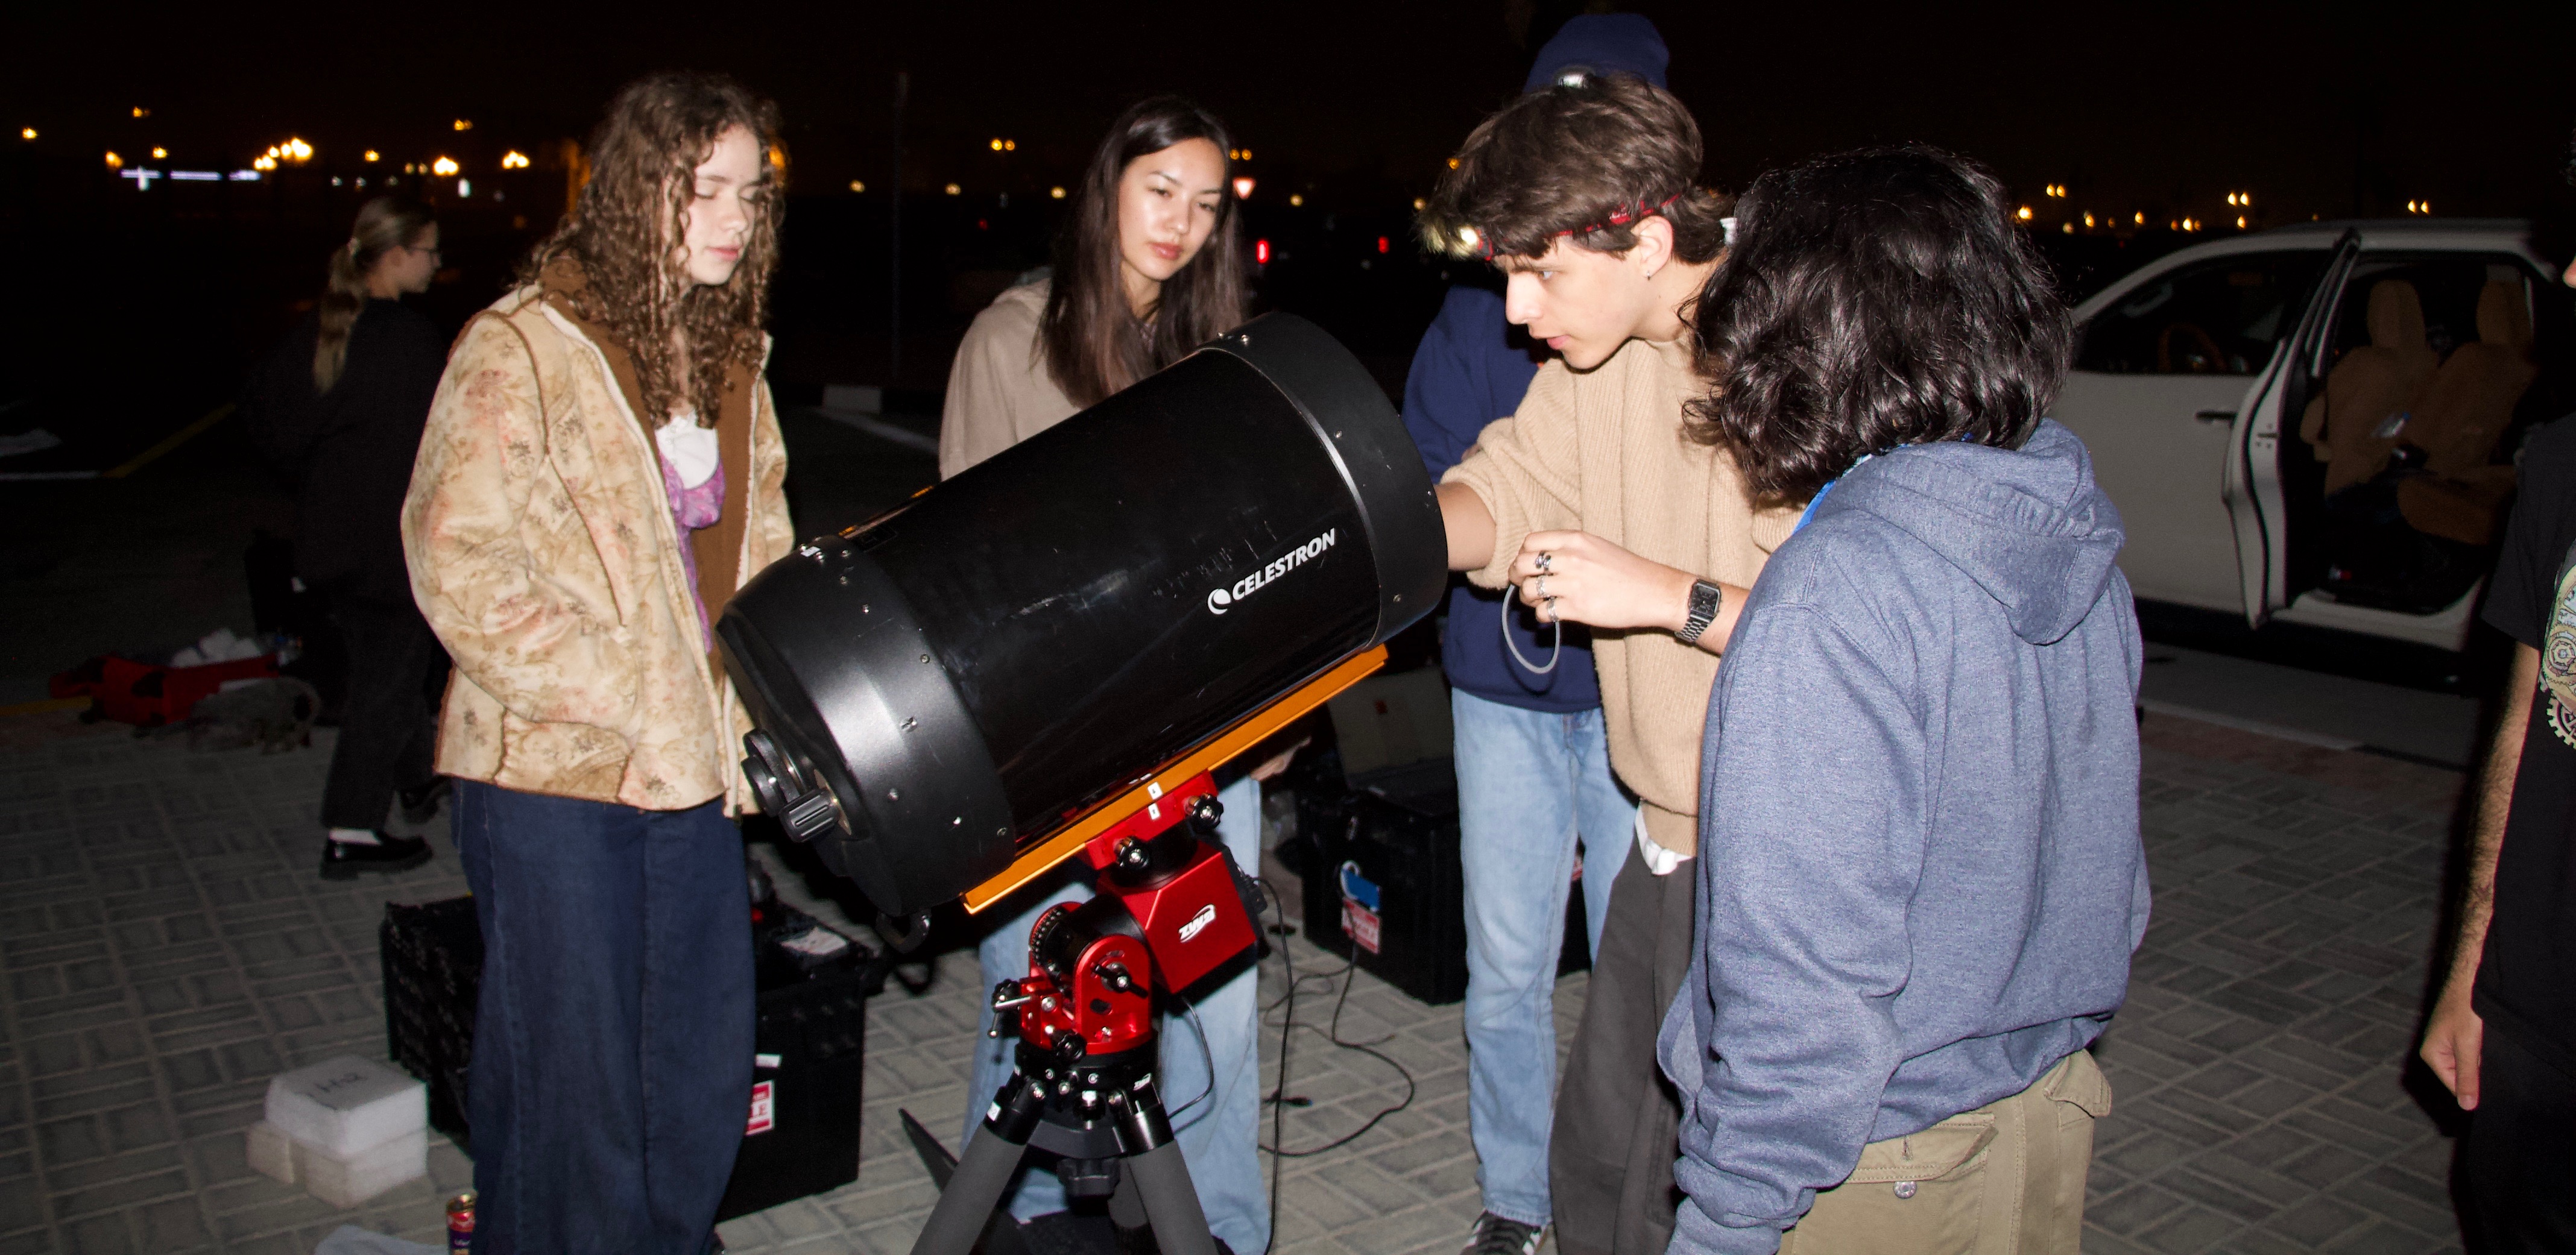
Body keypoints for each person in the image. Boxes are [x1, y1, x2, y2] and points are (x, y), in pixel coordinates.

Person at [1658, 146, 2148, 1254]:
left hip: (1881, 1170)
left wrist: (1729, 1217)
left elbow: (1801, 980)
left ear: (1798, 341)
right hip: (2042, 1116)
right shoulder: (2062, 526)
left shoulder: (1841, 589)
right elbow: (2108, 879)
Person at [400, 72, 794, 1254]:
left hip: (695, 775)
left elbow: (761, 548)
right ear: (635, 190)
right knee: (578, 1085)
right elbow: (455, 556)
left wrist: (776, 696)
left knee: (695, 1059)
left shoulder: (731, 359)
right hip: (555, 775)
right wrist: (636, 689)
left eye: (750, 194)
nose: (733, 217)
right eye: (703, 190)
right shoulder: (522, 345)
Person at [1421, 72, 1791, 1255]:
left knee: (1721, 1182)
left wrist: (1659, 597)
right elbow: (1508, 484)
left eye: (1542, 273)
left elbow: (1871, 624)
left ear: (1640, 237)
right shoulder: (1608, 359)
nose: (1520, 311)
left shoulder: (1790, 353)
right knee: (1602, 1163)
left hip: (1779, 854)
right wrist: (1369, 545)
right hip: (1665, 833)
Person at [939, 95, 1273, 1254]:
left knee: (1216, 1014)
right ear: (1107, 189)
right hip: (1059, 758)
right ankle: (1020, 1219)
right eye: (1158, 190)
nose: (1180, 222)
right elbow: (963, 576)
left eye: (1206, 203)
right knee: (1037, 1007)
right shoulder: (1012, 341)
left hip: (1197, 745)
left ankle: (1220, 1228)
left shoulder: (1213, 352)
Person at [1398, 14, 1666, 1253]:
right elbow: (1460, 490)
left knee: (1638, 979)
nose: (1525, 308)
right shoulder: (1476, 317)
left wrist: (1663, 585)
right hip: (1501, 687)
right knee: (1507, 971)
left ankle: (1628, 1198)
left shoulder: (1689, 337)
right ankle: (1518, 1199)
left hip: (1635, 698)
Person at [2417, 242, 2576, 1252]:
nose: (2567, 277)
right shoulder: (2562, 462)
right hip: (2538, 1009)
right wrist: (2471, 971)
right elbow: (2520, 722)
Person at [245, 195, 449, 879]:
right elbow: (452, 440)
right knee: (388, 684)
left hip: (332, 540)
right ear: (395, 256)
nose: (437, 263)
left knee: (384, 669)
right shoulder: (409, 341)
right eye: (428, 251)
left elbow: (271, 427)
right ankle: (353, 827)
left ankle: (418, 777)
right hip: (390, 547)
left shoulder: (319, 331)